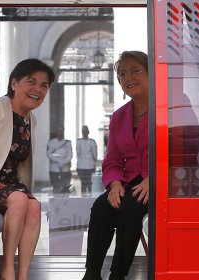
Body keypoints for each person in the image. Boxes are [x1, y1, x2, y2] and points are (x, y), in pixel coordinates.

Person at [82, 51, 149, 280]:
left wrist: (157, 179)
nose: (128, 77)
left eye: (135, 70)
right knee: (101, 207)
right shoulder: (119, 116)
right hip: (129, 182)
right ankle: (91, 274)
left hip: (160, 182)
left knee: (130, 208)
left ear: (152, 74)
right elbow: (112, 160)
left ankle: (117, 275)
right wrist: (115, 183)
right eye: (122, 74)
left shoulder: (171, 108)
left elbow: (185, 151)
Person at [0, 58, 55, 280]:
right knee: (18, 199)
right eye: (31, 81)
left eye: (44, 85)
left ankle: (23, 274)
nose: (38, 89)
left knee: (34, 206)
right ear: (14, 83)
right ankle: (8, 270)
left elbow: (23, 163)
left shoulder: (31, 120)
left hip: (10, 184)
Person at [46, 127, 73, 194]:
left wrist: (64, 162)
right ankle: (56, 202)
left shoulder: (67, 143)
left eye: (61, 132)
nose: (60, 133)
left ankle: (65, 202)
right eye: (59, 131)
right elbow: (48, 154)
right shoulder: (51, 142)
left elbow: (70, 155)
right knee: (56, 187)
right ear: (56, 133)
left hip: (65, 168)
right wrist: (58, 161)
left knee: (65, 187)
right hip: (54, 169)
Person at [76, 125, 97, 196]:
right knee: (83, 183)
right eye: (83, 132)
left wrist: (94, 163)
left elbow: (94, 153)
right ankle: (83, 196)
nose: (85, 133)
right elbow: (78, 153)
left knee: (89, 182)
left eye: (86, 131)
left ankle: (90, 196)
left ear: (88, 132)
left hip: (90, 164)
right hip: (81, 164)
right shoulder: (79, 142)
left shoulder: (92, 142)